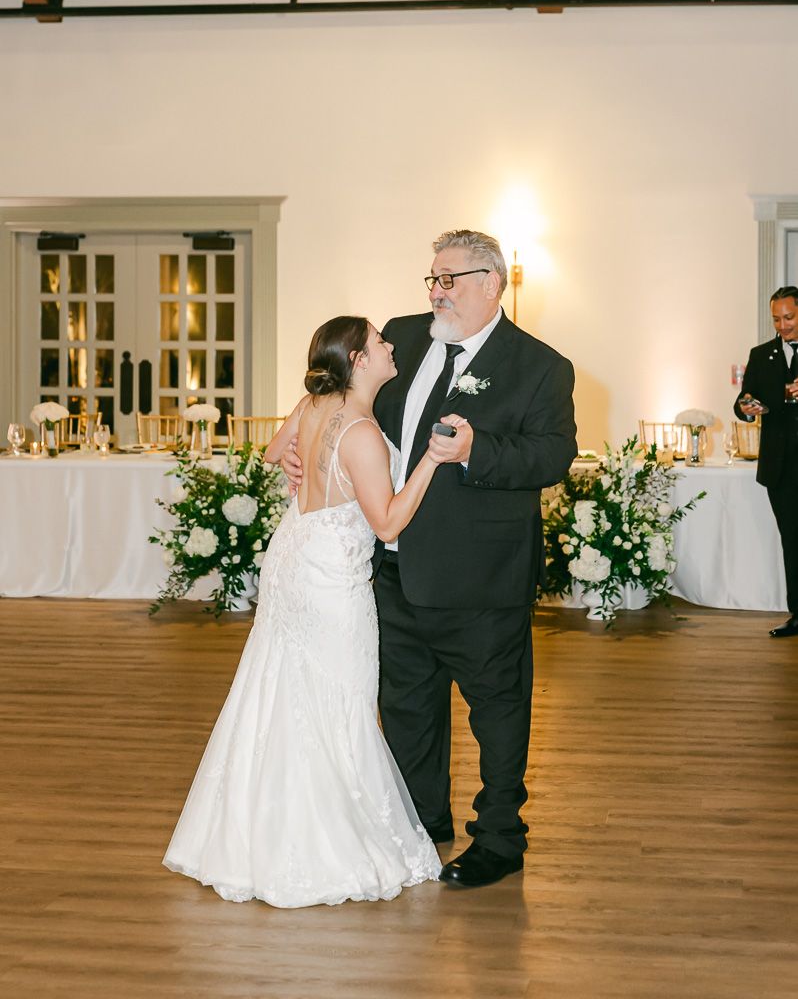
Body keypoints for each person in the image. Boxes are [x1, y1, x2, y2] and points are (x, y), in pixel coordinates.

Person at [284, 230, 577, 889]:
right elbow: (342, 404)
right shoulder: (402, 336)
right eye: (433, 279)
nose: (436, 291)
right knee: (408, 704)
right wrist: (304, 446)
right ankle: (420, 819)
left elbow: (552, 455)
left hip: (480, 576)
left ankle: (500, 836)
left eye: (450, 280)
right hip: (390, 566)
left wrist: (478, 449)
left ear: (491, 282)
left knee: (497, 709)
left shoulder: (540, 366)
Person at [163, 316, 453, 907]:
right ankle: (326, 843)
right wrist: (430, 460)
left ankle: (254, 835)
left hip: (295, 554)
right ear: (359, 359)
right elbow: (388, 521)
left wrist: (296, 461)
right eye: (378, 342)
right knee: (341, 701)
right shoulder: (364, 434)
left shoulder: (312, 401)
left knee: (279, 689)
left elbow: (274, 452)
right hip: (330, 581)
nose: (390, 345)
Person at [735, 284, 798, 638]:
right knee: (792, 540)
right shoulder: (761, 355)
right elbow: (744, 399)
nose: (782, 326)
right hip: (781, 467)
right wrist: (746, 407)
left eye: (788, 317)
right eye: (776, 319)